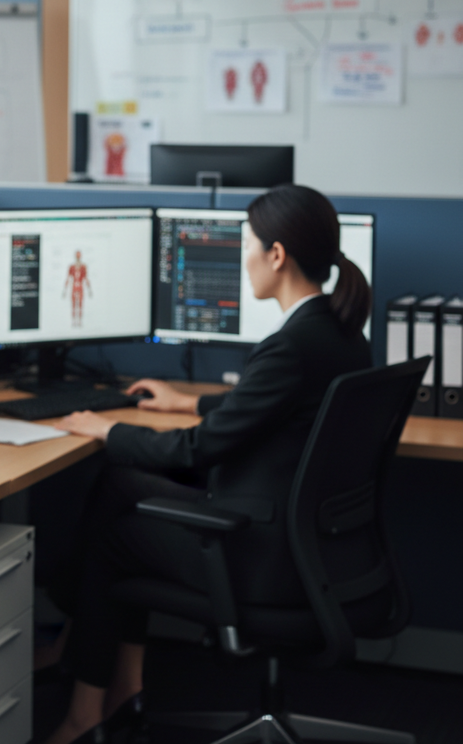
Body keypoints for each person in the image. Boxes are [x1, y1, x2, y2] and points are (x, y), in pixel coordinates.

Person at [41, 184, 372, 744]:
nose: (243, 258)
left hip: (260, 552)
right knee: (118, 484)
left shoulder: (290, 346)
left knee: (113, 535)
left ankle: (85, 708)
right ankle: (121, 687)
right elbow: (272, 407)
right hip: (315, 542)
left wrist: (110, 428)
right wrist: (189, 400)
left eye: (247, 244)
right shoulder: (341, 334)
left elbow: (197, 450)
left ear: (276, 255)